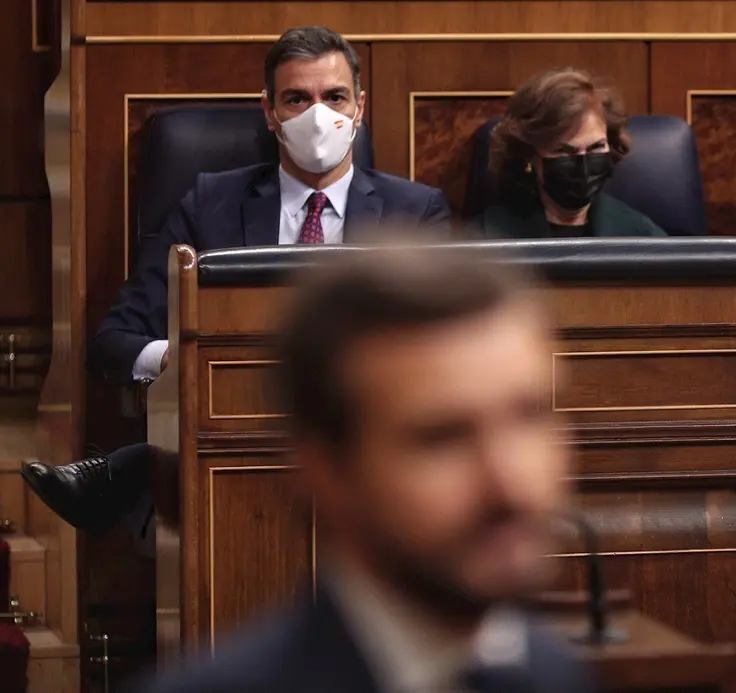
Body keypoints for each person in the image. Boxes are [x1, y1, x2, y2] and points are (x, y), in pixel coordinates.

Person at [25, 26, 451, 532]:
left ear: (359, 108)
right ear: (270, 112)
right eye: (297, 99)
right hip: (231, 439)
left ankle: (130, 469)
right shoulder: (211, 204)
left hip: (368, 441)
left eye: (334, 97)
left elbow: (441, 350)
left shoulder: (417, 212)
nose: (320, 115)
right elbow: (115, 342)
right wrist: (184, 356)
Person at [132, 241, 591, 693]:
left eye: (530, 416)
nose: (510, 482)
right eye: (441, 438)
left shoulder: (554, 672)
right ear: (323, 470)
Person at [475, 67, 666, 238]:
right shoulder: (488, 236)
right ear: (529, 154)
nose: (582, 165)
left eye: (596, 147)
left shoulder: (641, 234)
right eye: (563, 151)